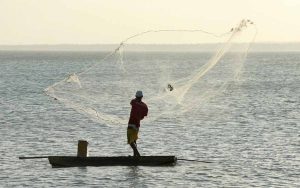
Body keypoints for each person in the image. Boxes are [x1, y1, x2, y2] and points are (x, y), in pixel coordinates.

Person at [127, 90, 148, 157]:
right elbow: (143, 116)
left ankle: (137, 154)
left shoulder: (133, 102)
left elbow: (131, 102)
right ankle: (135, 155)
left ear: (136, 96)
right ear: (142, 97)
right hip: (137, 124)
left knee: (130, 140)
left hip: (131, 123)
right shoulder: (144, 106)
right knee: (134, 139)